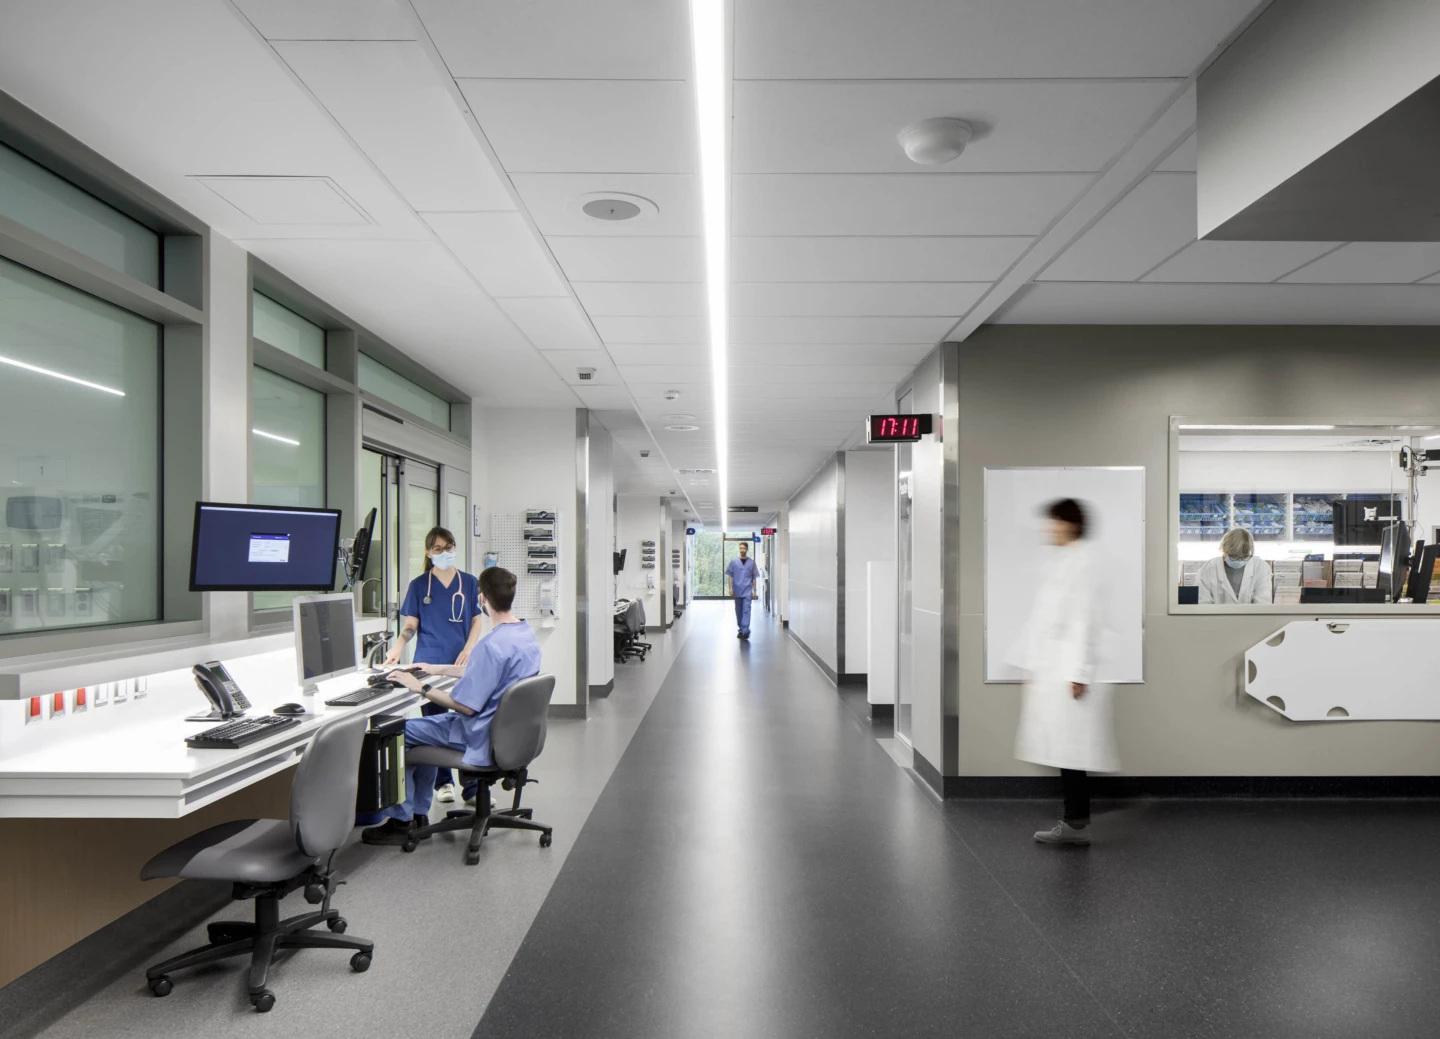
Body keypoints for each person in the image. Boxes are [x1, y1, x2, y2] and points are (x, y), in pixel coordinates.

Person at [362, 566, 542, 846]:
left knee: (399, 734)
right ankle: (419, 813)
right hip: (512, 733)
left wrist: (420, 686)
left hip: (479, 734)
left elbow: (465, 707)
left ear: (481, 599)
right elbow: (485, 672)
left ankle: (402, 820)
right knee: (420, 736)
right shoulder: (524, 634)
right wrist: (436, 669)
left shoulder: (490, 646)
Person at [1011, 498, 1118, 846]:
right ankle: (1075, 822)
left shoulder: (1083, 563)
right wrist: (1031, 662)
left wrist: (1080, 672)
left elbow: (1086, 620)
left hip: (1070, 671)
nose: (1049, 529)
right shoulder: (1063, 562)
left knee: (1071, 751)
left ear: (1070, 524)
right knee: (1065, 750)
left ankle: (1075, 825)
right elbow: (1043, 619)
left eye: (1054, 523)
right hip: (1056, 668)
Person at [385, 526, 482, 804]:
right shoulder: (419, 585)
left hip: (461, 662)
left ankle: (473, 786)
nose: (444, 552)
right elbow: (410, 625)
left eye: (449, 547)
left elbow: (476, 619)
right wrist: (398, 646)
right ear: (429, 552)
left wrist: (468, 647)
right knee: (434, 721)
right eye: (437, 549)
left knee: (467, 720)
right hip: (428, 662)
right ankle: (443, 784)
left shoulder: (469, 582)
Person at [1197, 527, 1273, 604]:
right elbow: (1202, 603)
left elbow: (1263, 605)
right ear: (1224, 551)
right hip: (1216, 616)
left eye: (1244, 557)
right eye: (1234, 557)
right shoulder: (1208, 569)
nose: (1239, 561)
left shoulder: (1261, 568)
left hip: (1252, 616)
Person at [724, 540, 760, 640]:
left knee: (747, 609)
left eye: (744, 548)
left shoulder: (751, 563)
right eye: (741, 548)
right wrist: (730, 588)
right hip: (737, 589)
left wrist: (755, 591)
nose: (742, 550)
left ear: (747, 549)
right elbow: (730, 576)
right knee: (738, 610)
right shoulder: (734, 562)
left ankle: (745, 630)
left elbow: (754, 578)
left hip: (747, 590)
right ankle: (741, 629)